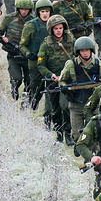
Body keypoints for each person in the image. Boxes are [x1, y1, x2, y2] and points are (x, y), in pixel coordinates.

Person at [38, 14, 76, 142]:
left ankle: (68, 134)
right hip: (52, 82)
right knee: (55, 109)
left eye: (60, 28)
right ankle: (59, 133)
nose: (59, 31)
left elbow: (78, 58)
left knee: (65, 106)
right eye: (56, 28)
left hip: (67, 81)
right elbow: (41, 65)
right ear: (51, 30)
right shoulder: (46, 45)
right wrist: (51, 75)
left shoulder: (71, 41)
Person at [57, 36, 101, 138]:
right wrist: (64, 87)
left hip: (93, 104)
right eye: (82, 50)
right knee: (77, 134)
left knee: (95, 133)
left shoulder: (99, 65)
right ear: (78, 51)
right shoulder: (70, 65)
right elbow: (62, 80)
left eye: (87, 50)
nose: (85, 53)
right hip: (76, 104)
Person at [0, 0, 35, 103]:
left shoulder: (33, 21)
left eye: (26, 9)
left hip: (28, 56)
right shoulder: (9, 19)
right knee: (16, 78)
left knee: (29, 81)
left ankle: (26, 101)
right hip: (13, 55)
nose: (23, 11)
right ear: (18, 9)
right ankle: (14, 89)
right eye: (21, 9)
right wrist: (3, 40)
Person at [20, 0, 53, 111]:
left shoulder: (55, 24)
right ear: (38, 12)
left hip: (51, 64)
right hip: (35, 64)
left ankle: (48, 113)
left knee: (51, 92)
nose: (44, 14)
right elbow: (22, 45)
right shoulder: (30, 25)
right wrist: (28, 54)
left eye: (47, 12)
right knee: (36, 90)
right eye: (42, 11)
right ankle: (30, 109)